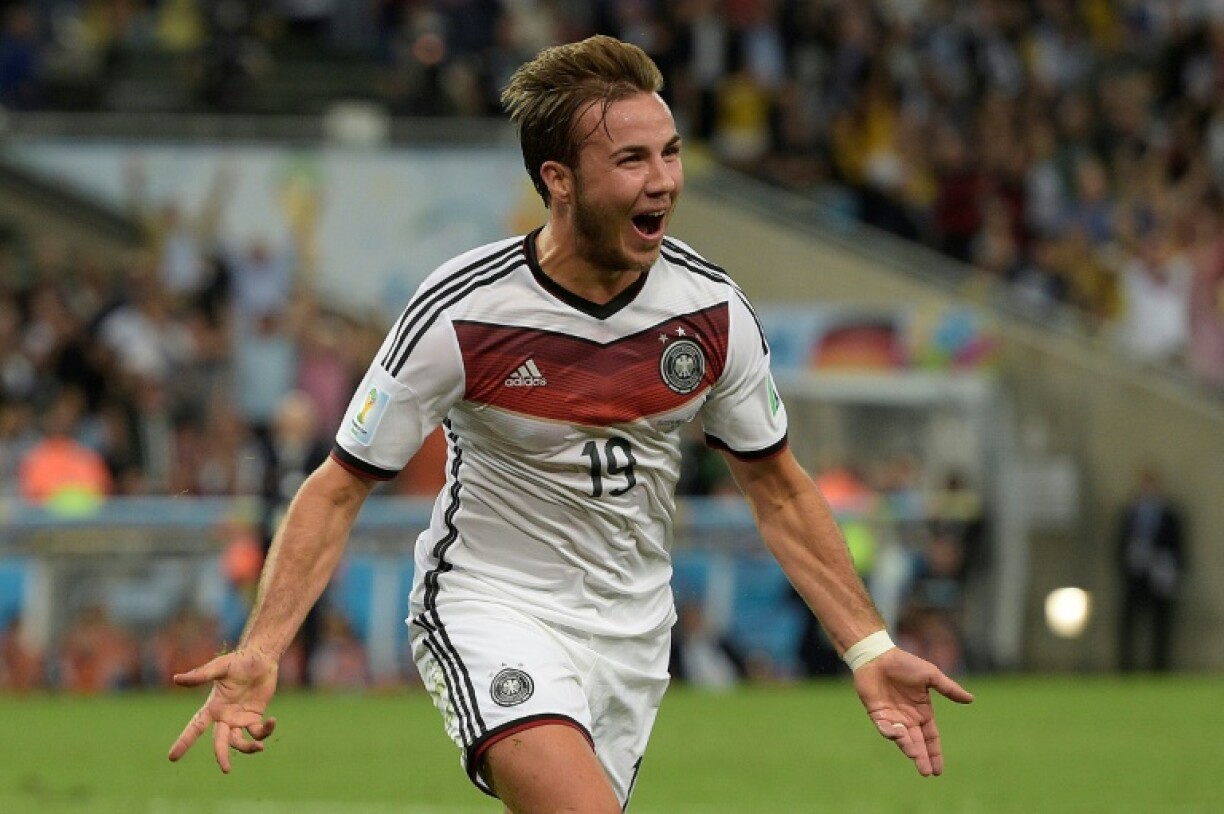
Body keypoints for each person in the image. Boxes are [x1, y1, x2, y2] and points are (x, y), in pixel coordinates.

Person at [167, 35, 973, 811]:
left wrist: (868, 645)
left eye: (670, 151)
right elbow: (338, 488)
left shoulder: (712, 314)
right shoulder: (464, 313)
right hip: (492, 606)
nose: (663, 181)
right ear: (559, 180)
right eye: (631, 160)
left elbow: (780, 491)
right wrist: (263, 646)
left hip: (632, 633)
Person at [1115, 463, 1186, 673]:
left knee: (1161, 625)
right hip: (1135, 577)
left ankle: (1159, 669)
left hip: (1160, 578)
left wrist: (1171, 571)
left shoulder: (1170, 516)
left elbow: (1178, 547)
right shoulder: (1129, 514)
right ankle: (1125, 668)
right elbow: (1118, 545)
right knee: (1128, 623)